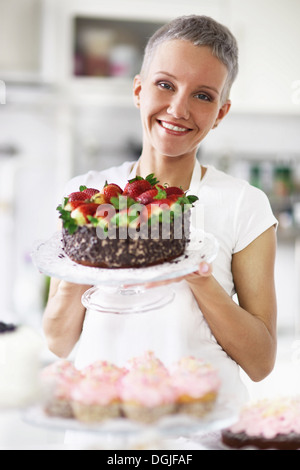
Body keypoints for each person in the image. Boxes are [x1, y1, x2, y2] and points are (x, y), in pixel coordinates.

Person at [43, 16, 277, 412]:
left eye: (203, 95)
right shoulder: (87, 199)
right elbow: (59, 340)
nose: (178, 108)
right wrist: (81, 265)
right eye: (165, 85)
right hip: (105, 429)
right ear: (138, 89)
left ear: (221, 112)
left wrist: (197, 275)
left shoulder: (244, 204)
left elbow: (260, 362)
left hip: (200, 433)